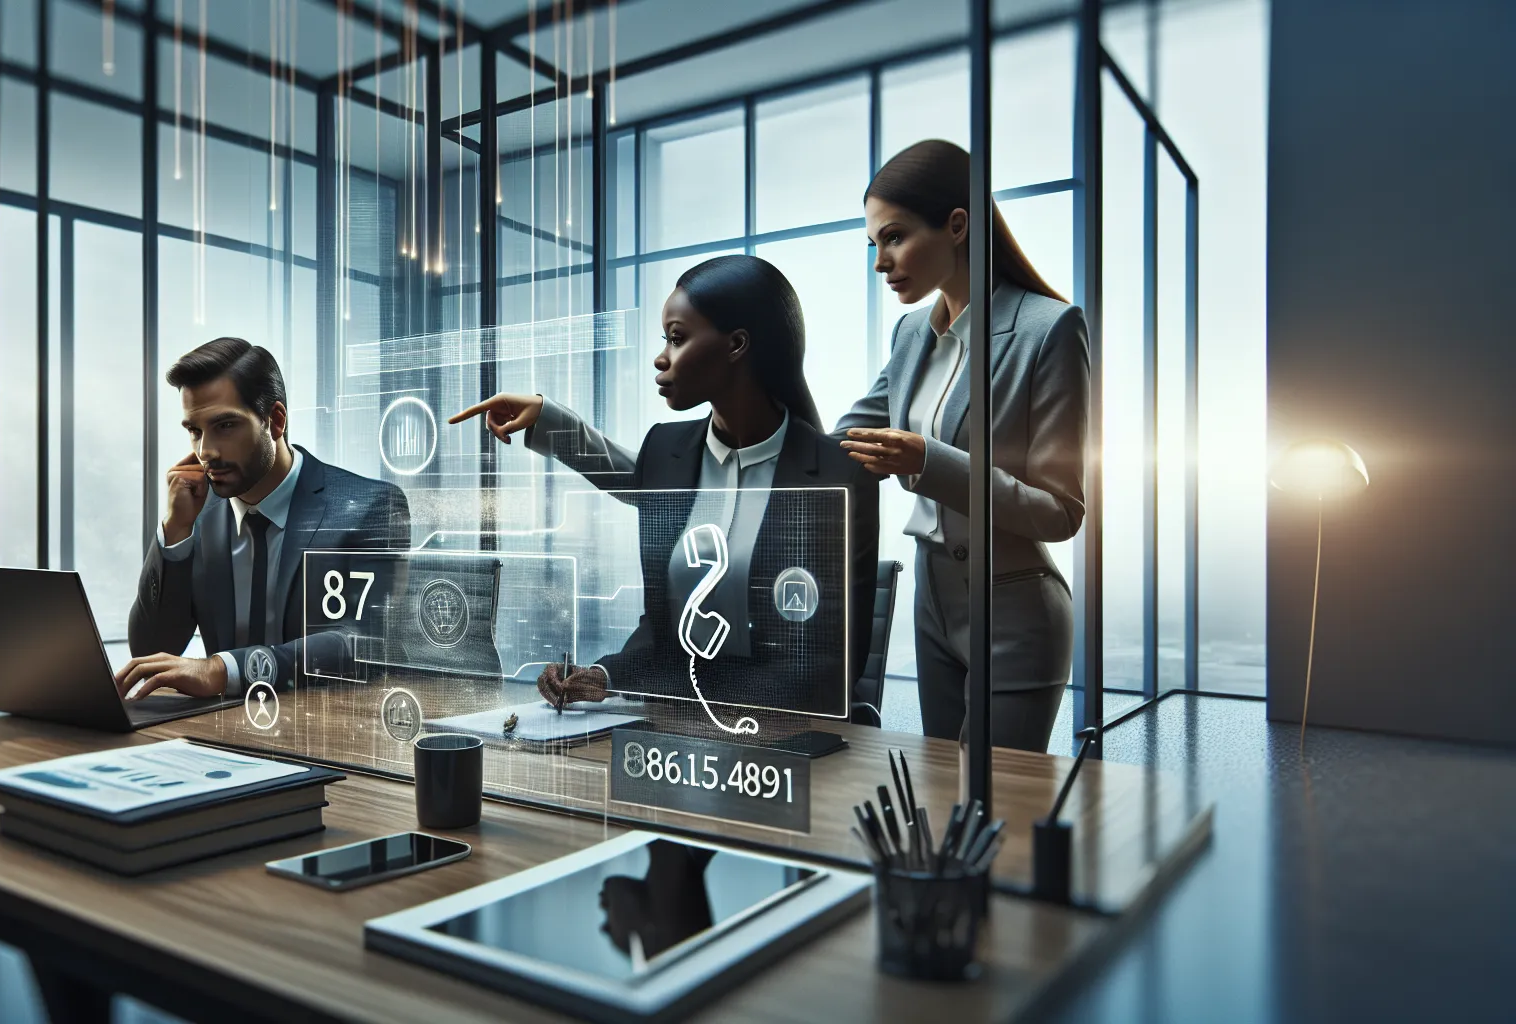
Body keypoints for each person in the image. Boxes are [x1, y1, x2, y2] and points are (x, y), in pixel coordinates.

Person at [450, 255, 879, 728]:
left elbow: (824, 668)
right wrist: (602, 675)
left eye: (677, 338)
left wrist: (690, 703)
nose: (661, 358)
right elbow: (661, 631)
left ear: (737, 344)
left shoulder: (839, 475)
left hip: (788, 745)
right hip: (674, 733)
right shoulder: (665, 449)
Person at [835, 139, 1089, 753]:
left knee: (996, 807)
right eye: (874, 244)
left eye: (893, 238)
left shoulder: (1048, 328)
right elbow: (844, 439)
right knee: (942, 795)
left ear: (956, 225)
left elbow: (1061, 512)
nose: (881, 263)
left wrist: (929, 461)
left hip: (1015, 609)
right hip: (932, 604)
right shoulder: (910, 335)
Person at [117, 338, 410, 701]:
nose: (205, 451)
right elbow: (151, 651)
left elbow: (364, 642)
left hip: (325, 732)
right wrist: (175, 534)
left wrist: (224, 670)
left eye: (225, 426)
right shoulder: (198, 515)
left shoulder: (368, 507)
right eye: (195, 431)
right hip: (216, 735)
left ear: (275, 421)